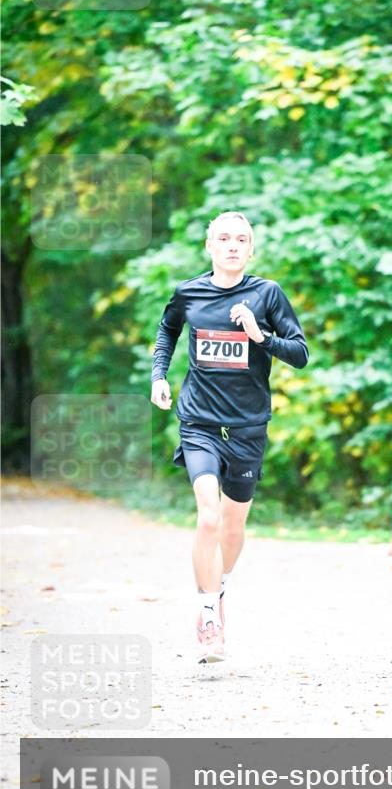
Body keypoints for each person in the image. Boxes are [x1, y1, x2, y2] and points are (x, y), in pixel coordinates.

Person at [150, 211, 309, 664]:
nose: (232, 245)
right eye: (224, 238)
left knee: (233, 526)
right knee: (209, 518)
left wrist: (260, 335)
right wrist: (159, 375)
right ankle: (208, 616)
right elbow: (168, 330)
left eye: (241, 239)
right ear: (209, 245)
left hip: (247, 427)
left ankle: (217, 587)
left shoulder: (267, 294)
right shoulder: (189, 292)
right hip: (198, 421)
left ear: (251, 249)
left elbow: (300, 353)